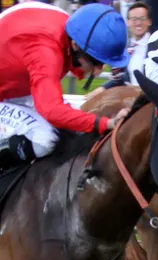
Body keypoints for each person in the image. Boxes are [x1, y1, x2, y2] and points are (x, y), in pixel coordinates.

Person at [0, 2, 130, 165]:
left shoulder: (72, 30)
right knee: (46, 139)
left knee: (73, 126)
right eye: (96, 61)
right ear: (75, 45)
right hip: (9, 93)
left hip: (13, 89)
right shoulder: (45, 52)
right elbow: (52, 110)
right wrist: (106, 123)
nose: (98, 72)